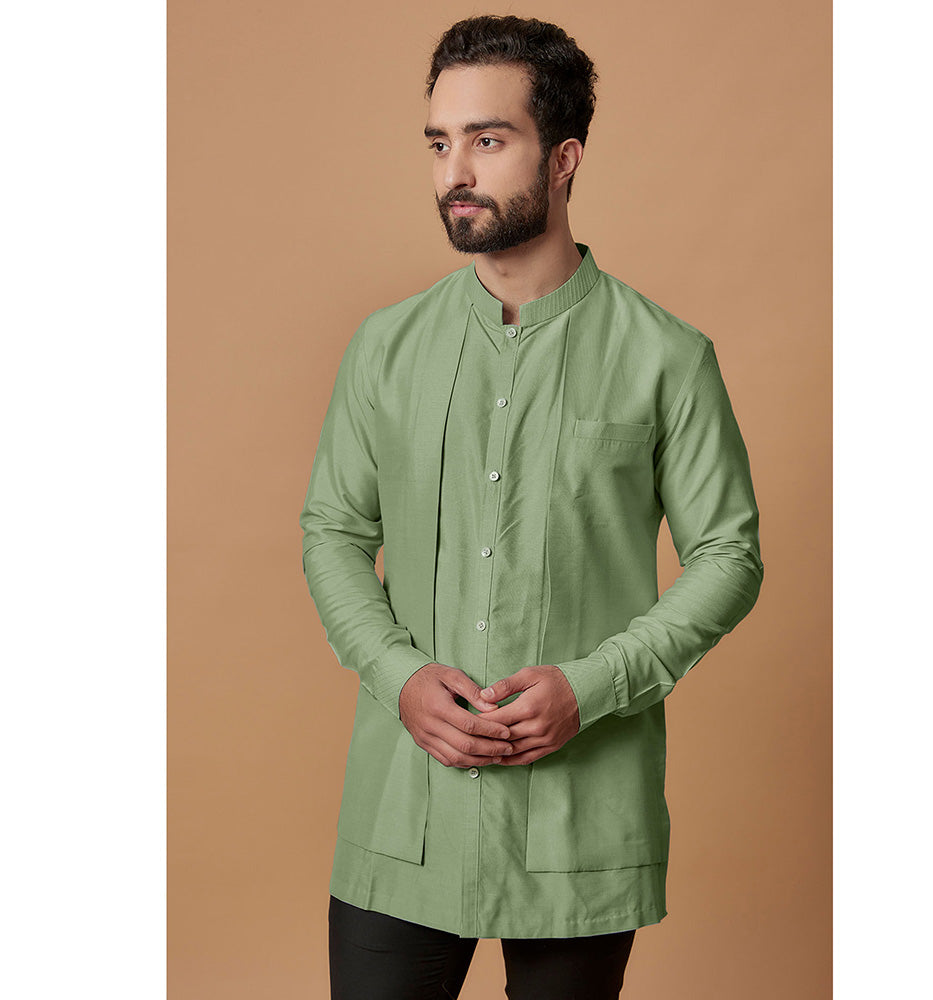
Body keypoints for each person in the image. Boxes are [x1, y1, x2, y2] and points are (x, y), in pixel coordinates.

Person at [299, 14, 763, 999]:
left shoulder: (667, 358)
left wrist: (592, 686)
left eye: (487, 139)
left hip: (579, 820)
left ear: (563, 159)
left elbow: (728, 554)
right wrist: (397, 674)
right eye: (440, 143)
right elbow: (333, 530)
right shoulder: (385, 348)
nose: (455, 171)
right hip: (404, 809)